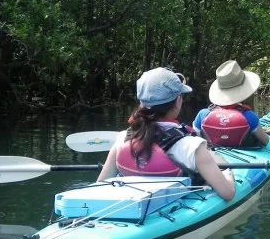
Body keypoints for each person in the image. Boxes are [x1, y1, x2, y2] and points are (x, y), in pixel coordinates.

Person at [97, 67, 236, 202]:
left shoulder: (123, 138)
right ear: (178, 102)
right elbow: (228, 193)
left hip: (129, 206)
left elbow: (101, 186)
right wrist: (228, 174)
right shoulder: (192, 146)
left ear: (142, 102)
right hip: (176, 215)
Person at [192, 60, 270, 148]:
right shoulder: (249, 116)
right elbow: (266, 141)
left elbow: (197, 140)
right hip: (245, 156)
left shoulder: (202, 114)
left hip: (212, 156)